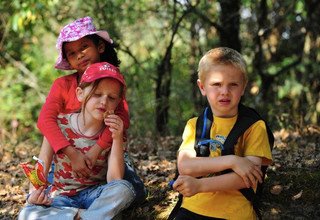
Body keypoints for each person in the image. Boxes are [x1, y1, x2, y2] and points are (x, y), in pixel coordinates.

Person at [34, 16, 145, 204]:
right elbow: (45, 121)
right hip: (67, 162)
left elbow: (121, 121)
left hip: (105, 157)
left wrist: (96, 150)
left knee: (135, 193)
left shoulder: (113, 83)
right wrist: (72, 154)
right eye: (71, 53)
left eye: (84, 47)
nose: (79, 55)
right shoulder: (63, 85)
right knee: (47, 199)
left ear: (100, 47)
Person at [19, 62, 136, 220]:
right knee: (26, 214)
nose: (103, 101)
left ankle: (84, 216)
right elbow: (43, 162)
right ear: (80, 94)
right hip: (61, 198)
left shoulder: (113, 132)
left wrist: (117, 138)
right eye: (97, 94)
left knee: (125, 189)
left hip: (95, 196)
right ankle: (85, 216)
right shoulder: (59, 125)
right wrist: (33, 196)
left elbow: (114, 180)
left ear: (117, 103)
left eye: (112, 98)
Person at [172, 47, 273, 220]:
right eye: (216, 84)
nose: (224, 91)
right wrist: (232, 161)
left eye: (233, 84)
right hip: (192, 209)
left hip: (236, 213)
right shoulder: (194, 125)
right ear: (202, 87)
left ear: (243, 87)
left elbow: (247, 178)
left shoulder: (255, 126)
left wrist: (200, 185)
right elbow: (185, 166)